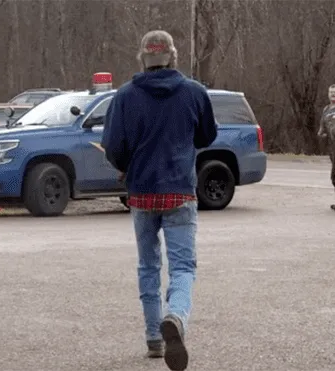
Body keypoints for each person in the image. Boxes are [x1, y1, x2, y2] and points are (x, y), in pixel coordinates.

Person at [101, 30, 218, 371]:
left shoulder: (124, 97)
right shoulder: (194, 93)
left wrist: (125, 166)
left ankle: (154, 338)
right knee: (182, 266)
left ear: (143, 58)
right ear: (173, 57)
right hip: (180, 191)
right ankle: (176, 317)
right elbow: (207, 135)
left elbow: (114, 148)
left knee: (148, 265)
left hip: (141, 193)